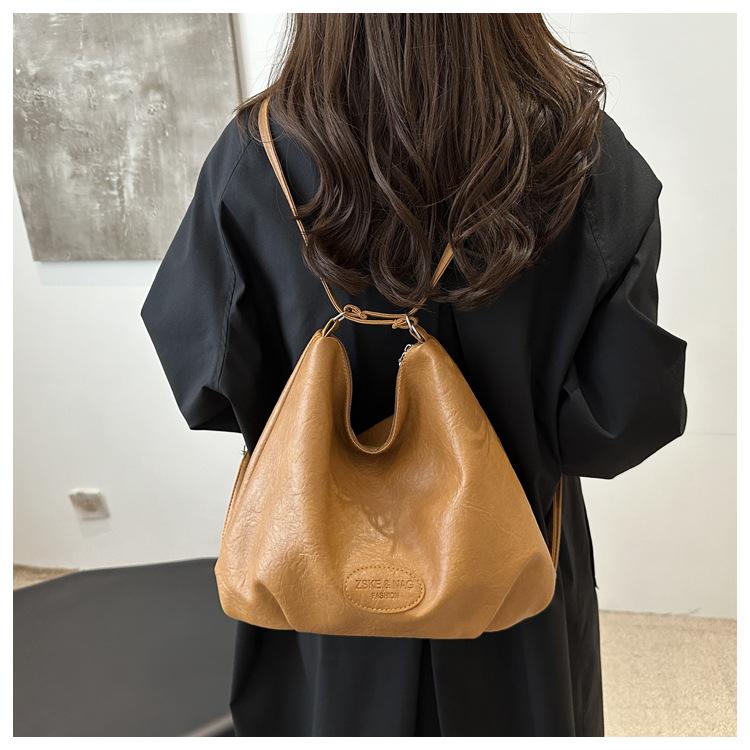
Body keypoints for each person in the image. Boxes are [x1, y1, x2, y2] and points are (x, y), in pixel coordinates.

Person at [141, 13, 687, 737]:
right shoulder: (583, 154)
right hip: (510, 568)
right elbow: (619, 419)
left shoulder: (257, 153)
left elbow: (204, 382)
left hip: (313, 567)